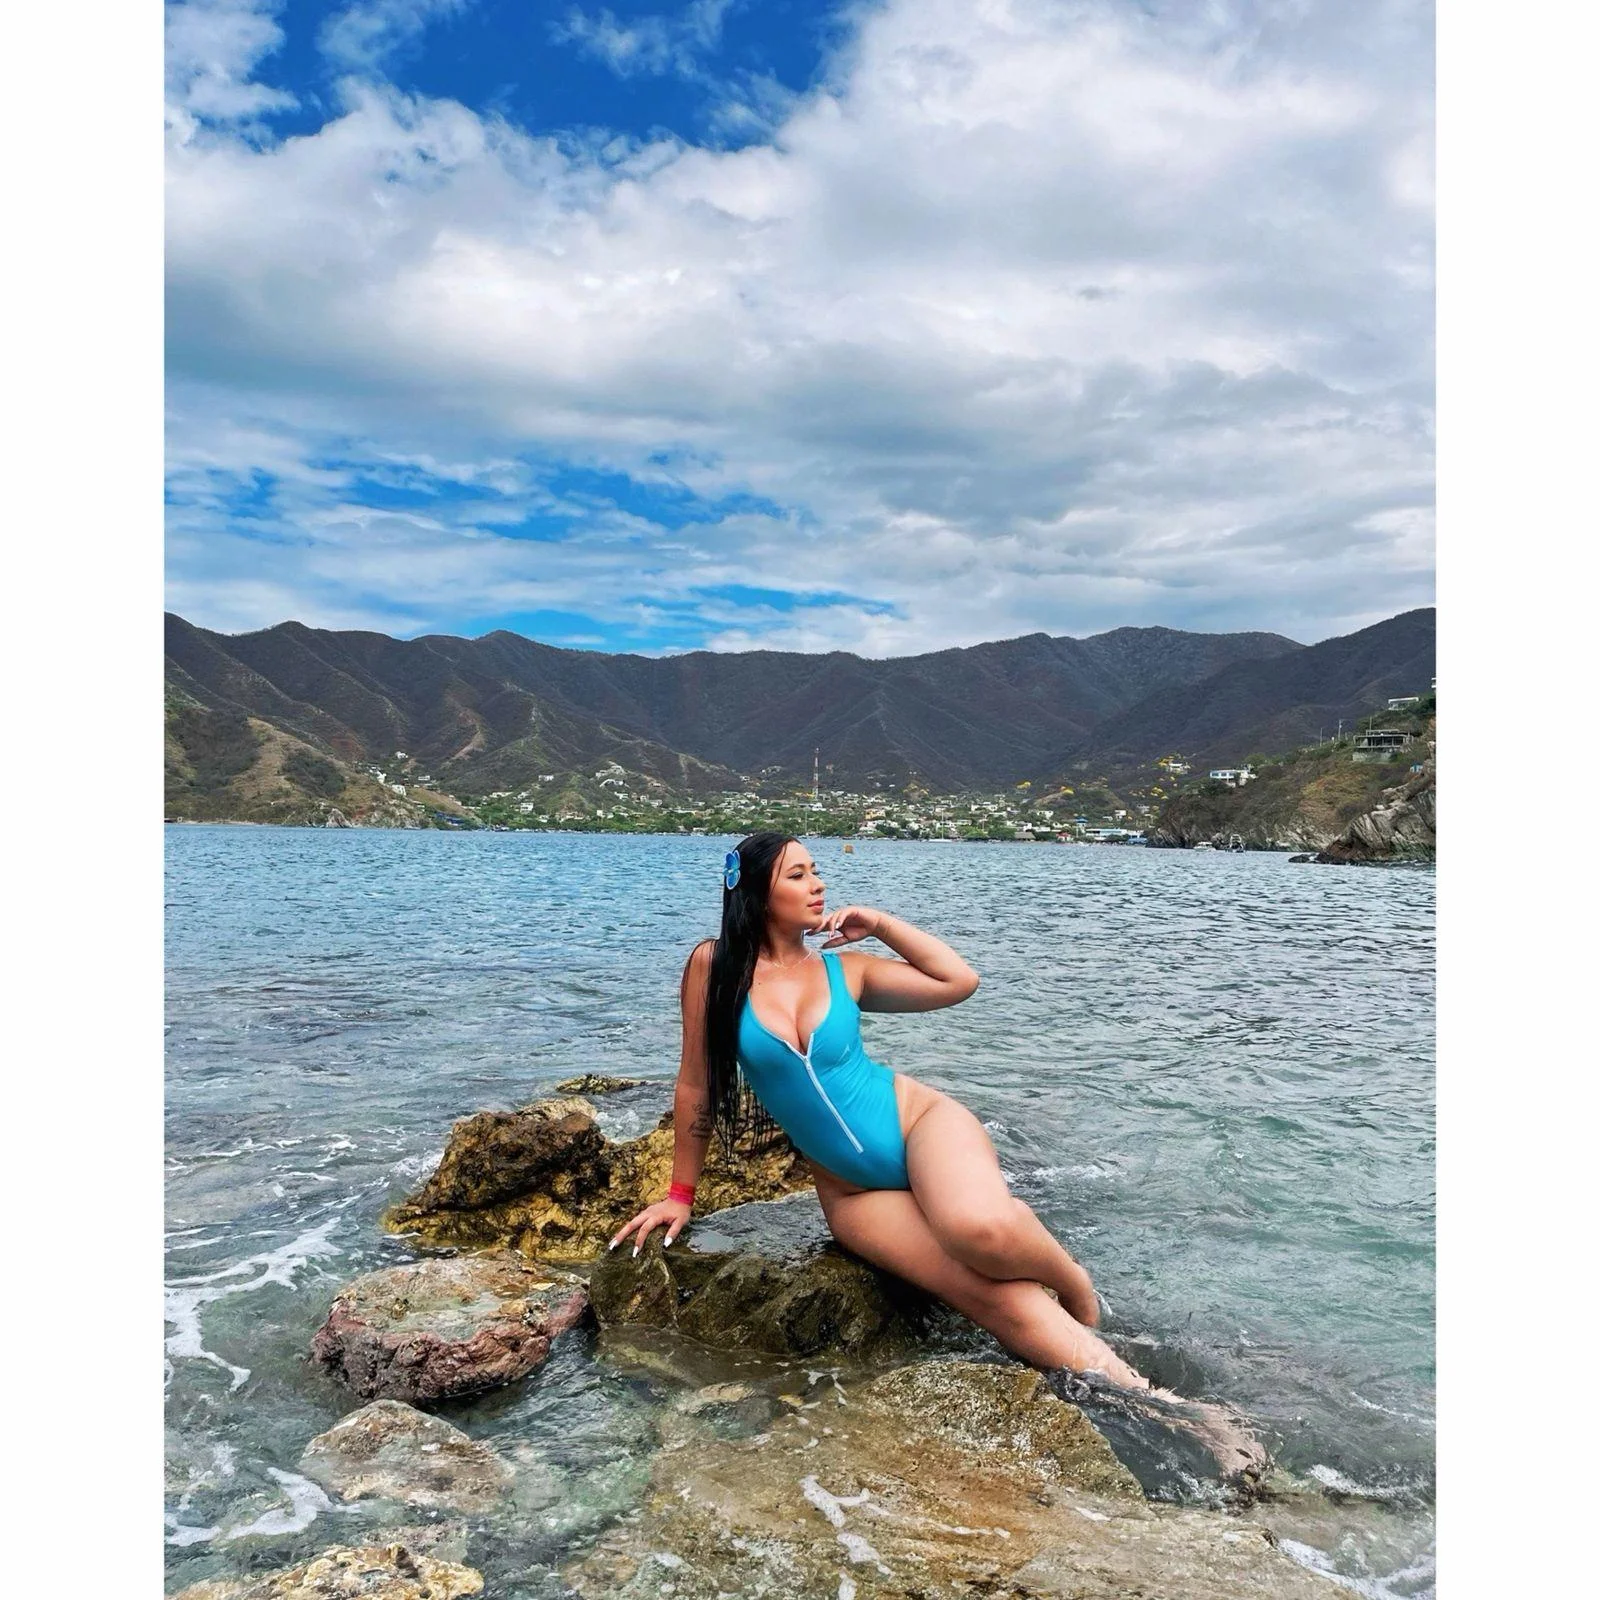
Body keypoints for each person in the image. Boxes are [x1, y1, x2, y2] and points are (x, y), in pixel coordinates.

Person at [609, 832, 1261, 1469]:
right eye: (798, 875)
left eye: (817, 871)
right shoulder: (712, 967)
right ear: (755, 891)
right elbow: (695, 1085)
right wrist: (680, 1196)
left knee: (976, 1228)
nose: (819, 885)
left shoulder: (845, 969)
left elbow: (958, 980)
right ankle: (1173, 1411)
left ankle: (1075, 1286)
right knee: (994, 1300)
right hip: (852, 1192)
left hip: (920, 1125)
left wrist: (881, 924)